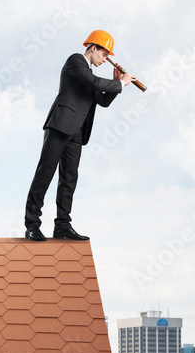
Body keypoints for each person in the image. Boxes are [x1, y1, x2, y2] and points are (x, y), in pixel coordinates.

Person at [23, 30, 135, 242]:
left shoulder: (90, 74)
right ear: (93, 48)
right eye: (104, 55)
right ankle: (32, 225)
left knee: (69, 179)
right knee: (45, 174)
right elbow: (93, 83)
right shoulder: (75, 61)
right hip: (59, 126)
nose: (105, 60)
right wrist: (121, 83)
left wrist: (114, 84)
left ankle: (62, 226)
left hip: (77, 132)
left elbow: (103, 101)